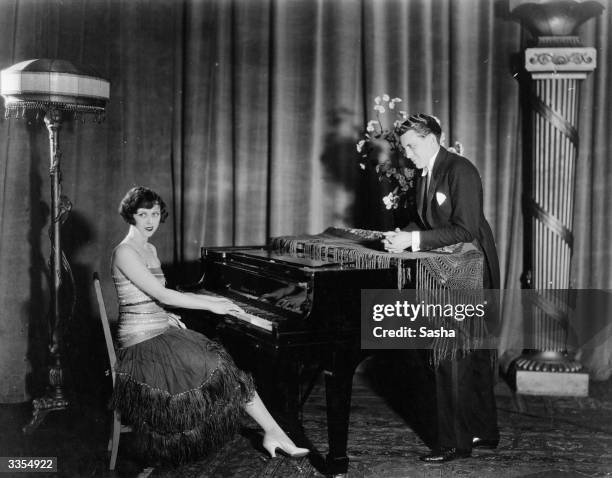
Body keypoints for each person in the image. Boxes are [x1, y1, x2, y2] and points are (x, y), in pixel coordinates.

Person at [109, 186, 308, 464]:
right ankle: (273, 432)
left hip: (159, 329)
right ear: (130, 215)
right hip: (142, 343)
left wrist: (165, 315)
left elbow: (144, 298)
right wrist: (211, 304)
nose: (150, 220)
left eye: (155, 213)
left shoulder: (149, 248)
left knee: (225, 366)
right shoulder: (125, 252)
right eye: (143, 214)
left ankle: (273, 432)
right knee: (220, 369)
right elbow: (162, 294)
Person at [382, 114, 500, 462]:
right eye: (403, 148)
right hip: (450, 270)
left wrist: (413, 240)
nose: (407, 155)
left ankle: (454, 443)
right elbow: (426, 220)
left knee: (451, 356)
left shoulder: (459, 169)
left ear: (433, 138)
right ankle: (484, 432)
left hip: (470, 272)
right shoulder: (425, 172)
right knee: (470, 355)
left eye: (411, 146)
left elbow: (465, 229)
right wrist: (399, 234)